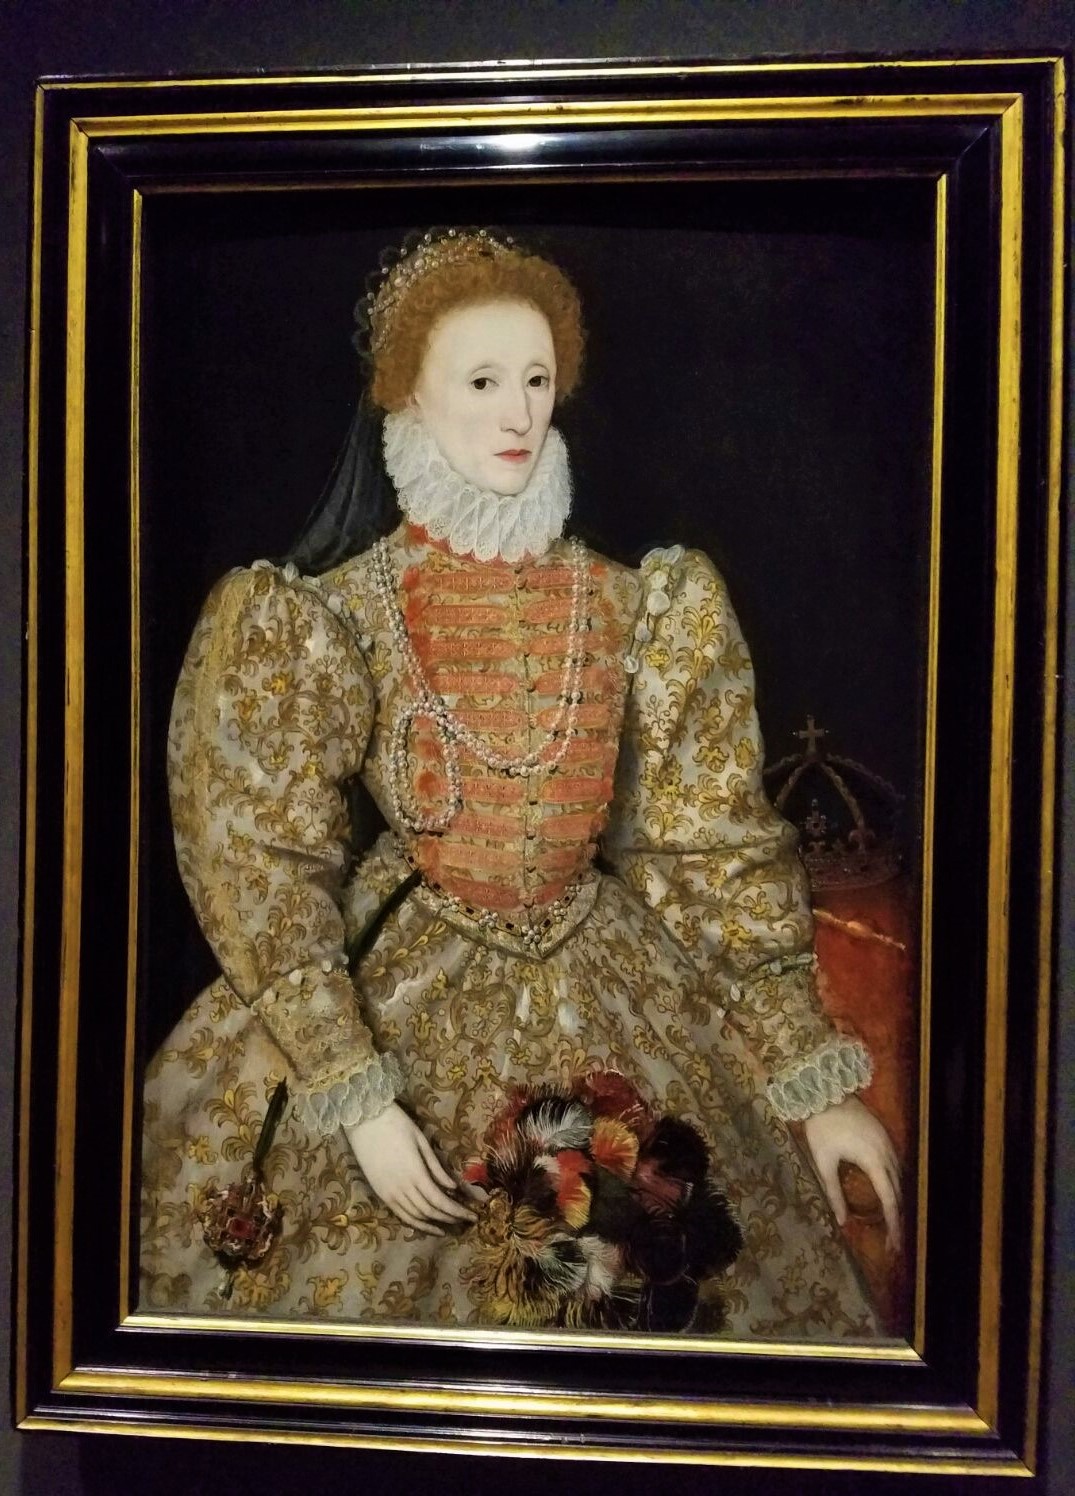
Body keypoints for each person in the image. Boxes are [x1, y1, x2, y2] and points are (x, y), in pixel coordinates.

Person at [141, 228, 900, 1336]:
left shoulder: (643, 603)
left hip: (619, 978)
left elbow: (705, 850)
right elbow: (259, 862)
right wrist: (355, 1098)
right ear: (408, 394)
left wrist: (812, 1084)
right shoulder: (322, 614)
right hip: (399, 976)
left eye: (536, 380)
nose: (517, 414)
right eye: (483, 381)